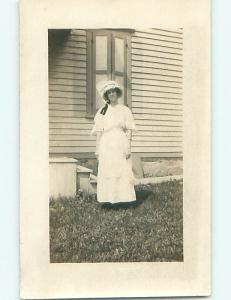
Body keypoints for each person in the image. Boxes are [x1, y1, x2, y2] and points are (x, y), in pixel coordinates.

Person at [91, 81, 137, 208]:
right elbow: (99, 131)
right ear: (106, 95)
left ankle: (123, 199)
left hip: (120, 143)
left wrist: (128, 147)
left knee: (121, 170)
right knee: (108, 170)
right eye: (109, 92)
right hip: (106, 144)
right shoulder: (103, 111)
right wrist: (97, 149)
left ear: (117, 93)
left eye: (113, 91)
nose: (112, 94)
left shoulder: (125, 110)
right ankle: (110, 199)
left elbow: (128, 130)